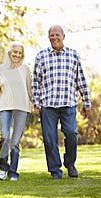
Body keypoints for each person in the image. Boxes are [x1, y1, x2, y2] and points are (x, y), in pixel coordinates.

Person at [31, 25, 91, 180]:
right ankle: (55, 171)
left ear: (63, 36)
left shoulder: (73, 55)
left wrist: (86, 101)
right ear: (48, 37)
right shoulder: (41, 56)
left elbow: (81, 80)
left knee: (71, 133)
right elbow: (35, 82)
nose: (54, 38)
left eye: (57, 35)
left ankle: (70, 163)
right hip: (48, 105)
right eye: (51, 35)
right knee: (49, 138)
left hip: (68, 102)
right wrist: (36, 102)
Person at [0, 41, 31, 181]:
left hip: (22, 107)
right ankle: (3, 168)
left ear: (22, 55)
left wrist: (35, 103)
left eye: (19, 53)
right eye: (14, 52)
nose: (17, 55)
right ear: (9, 52)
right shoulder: (1, 69)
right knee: (5, 137)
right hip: (5, 107)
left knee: (15, 142)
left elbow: (29, 88)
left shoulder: (25, 69)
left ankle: (13, 172)